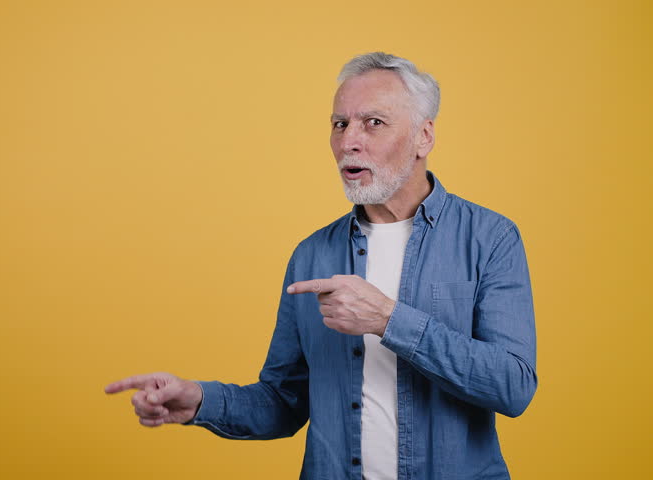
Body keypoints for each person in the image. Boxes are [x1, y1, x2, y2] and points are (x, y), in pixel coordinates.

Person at [105, 52, 537, 480]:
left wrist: (389, 319)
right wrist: (198, 400)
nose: (349, 140)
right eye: (339, 123)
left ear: (424, 137)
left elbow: (513, 387)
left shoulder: (490, 239)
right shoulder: (312, 255)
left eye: (374, 123)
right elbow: (283, 401)